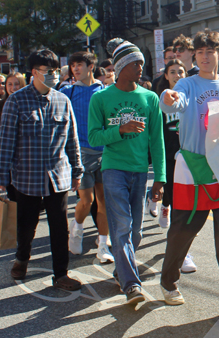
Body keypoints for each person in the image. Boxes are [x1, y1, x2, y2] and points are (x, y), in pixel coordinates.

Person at [159, 28, 219, 319]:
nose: (204, 56)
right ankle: (168, 281)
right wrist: (168, 96)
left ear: (218, 53)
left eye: (210, 51)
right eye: (200, 52)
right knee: (183, 230)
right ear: (194, 55)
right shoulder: (187, 84)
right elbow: (172, 103)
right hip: (193, 168)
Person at [0, 49, 83, 291]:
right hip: (27, 176)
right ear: (34, 73)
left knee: (59, 226)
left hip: (59, 175)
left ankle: (61, 273)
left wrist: (77, 170)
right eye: (49, 71)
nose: (54, 75)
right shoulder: (16, 101)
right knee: (27, 224)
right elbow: (6, 142)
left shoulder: (63, 100)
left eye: (55, 71)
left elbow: (72, 139)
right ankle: (22, 258)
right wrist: (1, 178)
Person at [88, 38, 166, 305]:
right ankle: (132, 284)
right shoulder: (101, 98)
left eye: (142, 63)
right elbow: (94, 137)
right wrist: (120, 129)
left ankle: (121, 270)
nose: (141, 67)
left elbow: (157, 141)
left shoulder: (149, 98)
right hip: (113, 170)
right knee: (122, 228)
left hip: (140, 171)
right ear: (121, 67)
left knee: (136, 233)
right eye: (136, 63)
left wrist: (161, 178)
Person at [59, 51, 114, 264]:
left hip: (104, 153)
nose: (75, 69)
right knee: (86, 200)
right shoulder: (68, 92)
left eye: (80, 64)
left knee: (104, 202)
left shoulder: (105, 91)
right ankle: (77, 229)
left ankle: (102, 245)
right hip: (80, 154)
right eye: (73, 65)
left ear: (91, 67)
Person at [156, 59, 197, 273]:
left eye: (181, 71)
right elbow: (157, 134)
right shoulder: (161, 100)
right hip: (170, 158)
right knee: (178, 204)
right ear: (166, 76)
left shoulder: (191, 96)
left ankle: (183, 246)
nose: (177, 75)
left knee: (189, 205)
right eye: (173, 72)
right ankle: (182, 252)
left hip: (190, 157)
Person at [0, 72, 26, 198]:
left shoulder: (30, 104)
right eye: (10, 84)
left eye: (17, 84)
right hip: (8, 157)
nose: (13, 87)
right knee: (13, 196)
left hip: (28, 158)